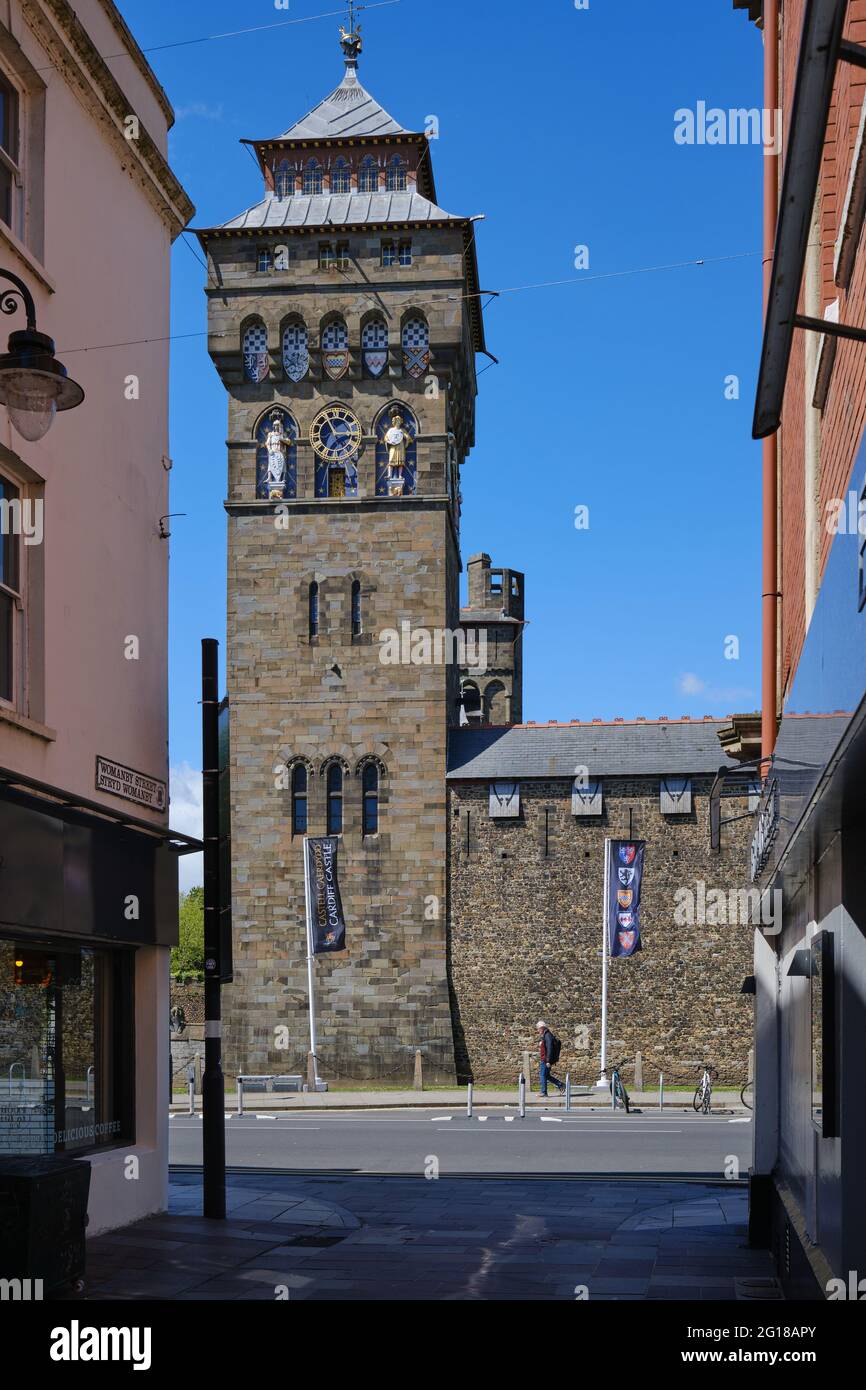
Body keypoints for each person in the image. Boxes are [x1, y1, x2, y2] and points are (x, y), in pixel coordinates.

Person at [536, 1020, 565, 1098]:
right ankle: (560, 1085)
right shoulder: (546, 1035)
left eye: (538, 1029)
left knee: (542, 1075)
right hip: (545, 1059)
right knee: (547, 1075)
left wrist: (548, 1061)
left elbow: (550, 1048)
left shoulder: (547, 1035)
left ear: (542, 1028)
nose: (538, 1030)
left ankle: (543, 1092)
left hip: (545, 1060)